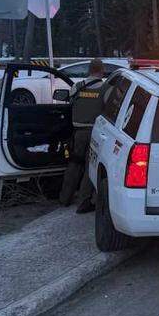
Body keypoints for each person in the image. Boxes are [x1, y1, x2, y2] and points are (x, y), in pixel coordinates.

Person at [58, 58, 106, 213]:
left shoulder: (77, 87)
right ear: (102, 71)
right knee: (89, 168)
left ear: (89, 70)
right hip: (95, 134)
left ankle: (64, 198)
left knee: (74, 164)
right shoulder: (106, 89)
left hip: (78, 133)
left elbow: (70, 102)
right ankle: (84, 202)